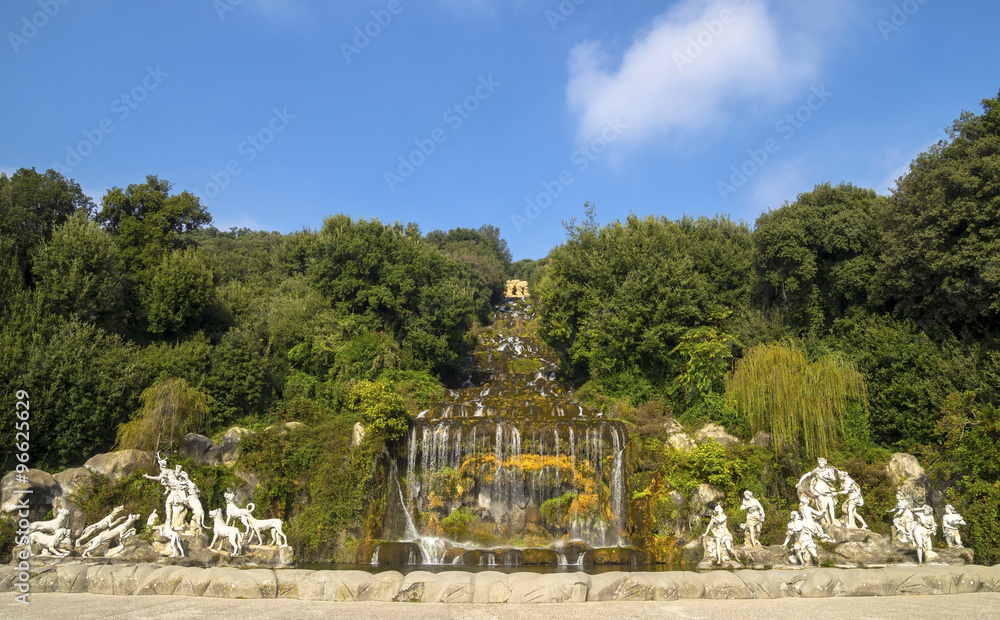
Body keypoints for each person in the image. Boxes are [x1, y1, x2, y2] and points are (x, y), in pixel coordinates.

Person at [797, 457, 840, 527]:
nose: (820, 464)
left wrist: (830, 477)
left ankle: (833, 521)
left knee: (831, 505)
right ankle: (827, 521)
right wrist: (800, 481)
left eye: (822, 463)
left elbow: (834, 479)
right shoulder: (816, 470)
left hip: (827, 489)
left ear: (825, 463)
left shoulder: (828, 470)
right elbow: (807, 474)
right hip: (819, 490)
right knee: (823, 507)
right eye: (819, 463)